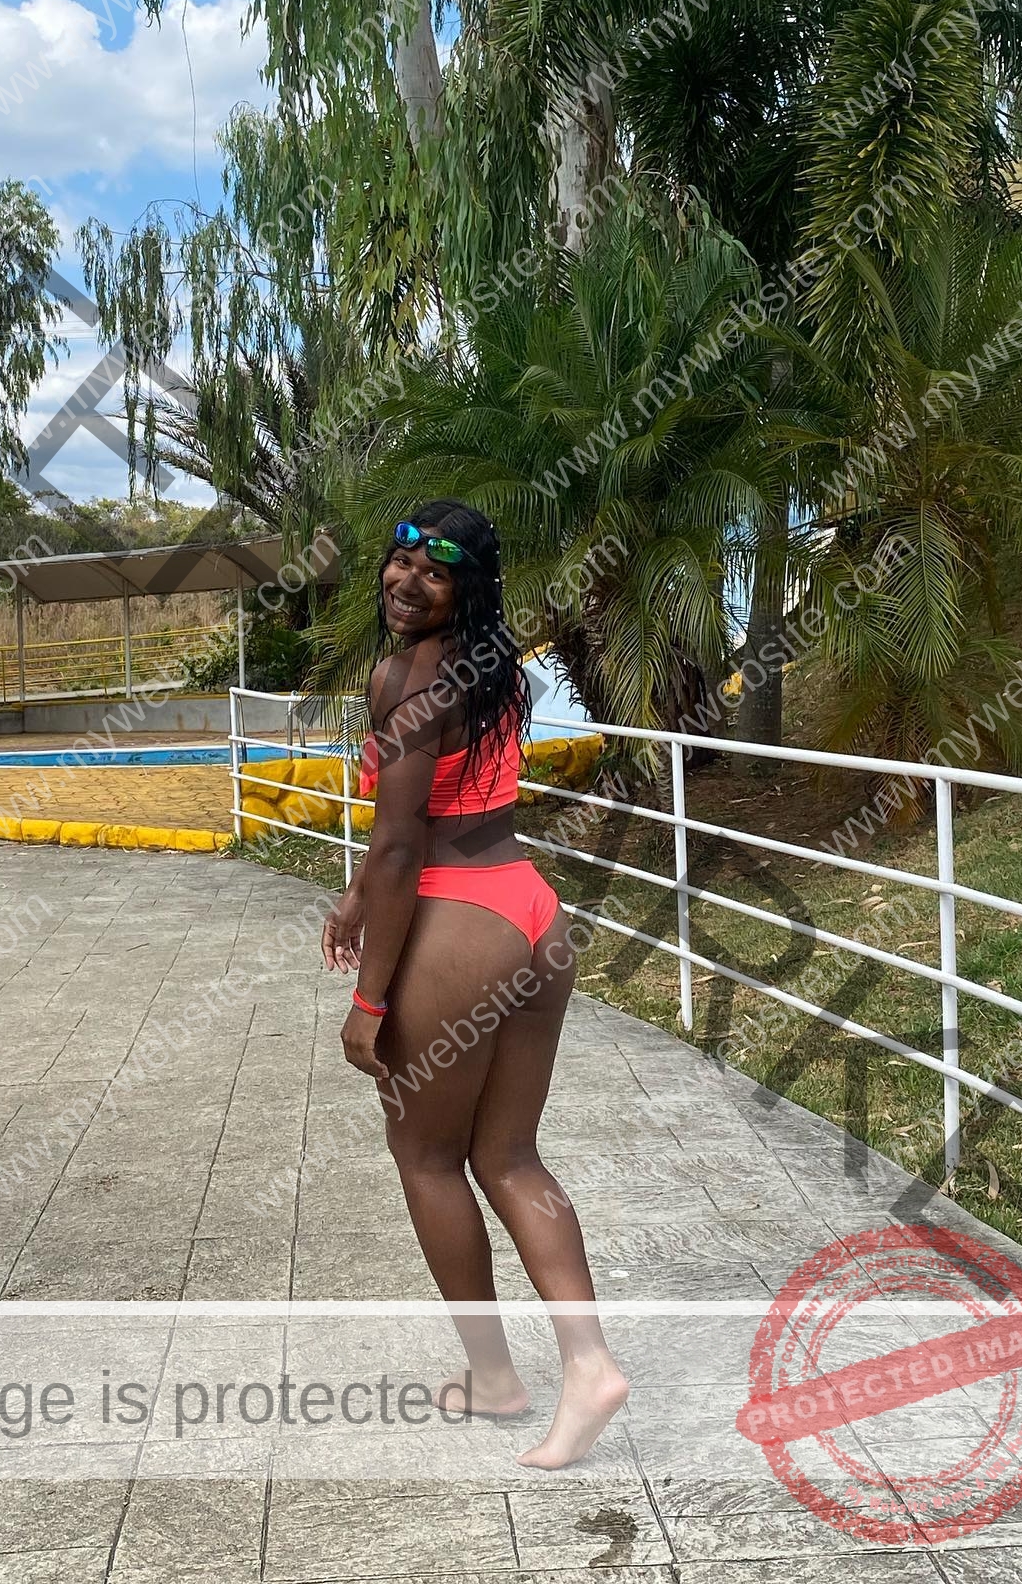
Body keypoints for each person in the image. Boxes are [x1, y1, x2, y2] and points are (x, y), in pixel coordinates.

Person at [321, 499, 629, 1469]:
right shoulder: (496, 667)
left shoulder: (401, 680)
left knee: (425, 1157)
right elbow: (449, 806)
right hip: (533, 916)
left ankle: (497, 1376)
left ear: (468, 586)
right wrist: (356, 897)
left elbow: (402, 845)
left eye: (436, 570)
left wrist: (369, 1002)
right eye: (400, 559)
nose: (407, 581)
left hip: (459, 930)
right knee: (510, 1157)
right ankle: (586, 1365)